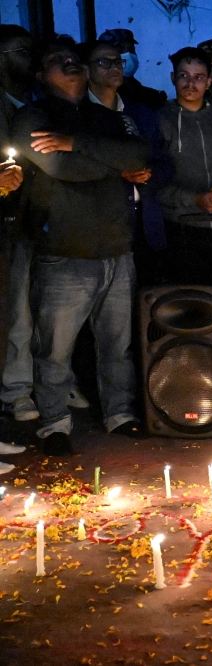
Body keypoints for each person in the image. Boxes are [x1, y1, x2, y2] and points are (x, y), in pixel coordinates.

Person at [13, 39, 150, 454]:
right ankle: (54, 422)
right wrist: (111, 162)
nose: (71, 65)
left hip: (116, 250)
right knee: (55, 349)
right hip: (64, 252)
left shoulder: (100, 115)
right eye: (58, 61)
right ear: (40, 75)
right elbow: (60, 167)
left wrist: (76, 142)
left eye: (75, 60)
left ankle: (119, 413)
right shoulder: (30, 116)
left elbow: (140, 154)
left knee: (117, 345)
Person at [84, 39, 173, 286]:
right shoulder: (79, 114)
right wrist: (120, 174)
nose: (115, 67)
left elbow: (165, 164)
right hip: (102, 228)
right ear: (86, 69)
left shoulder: (140, 113)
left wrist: (149, 173)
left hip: (146, 224)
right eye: (104, 62)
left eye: (118, 61)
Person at [158, 47, 212, 286]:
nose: (191, 83)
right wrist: (193, 199)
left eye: (198, 77)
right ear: (172, 78)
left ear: (208, 82)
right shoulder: (159, 121)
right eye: (183, 75)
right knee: (189, 304)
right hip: (180, 228)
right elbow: (152, 181)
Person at [0, 24, 35, 422]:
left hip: (33, 217)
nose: (31, 60)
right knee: (15, 312)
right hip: (6, 222)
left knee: (35, 310)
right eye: (21, 52)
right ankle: (14, 390)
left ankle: (33, 384)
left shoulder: (34, 99)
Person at [97, 29, 166, 111]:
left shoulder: (150, 96)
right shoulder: (100, 97)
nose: (128, 55)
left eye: (131, 50)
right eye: (120, 51)